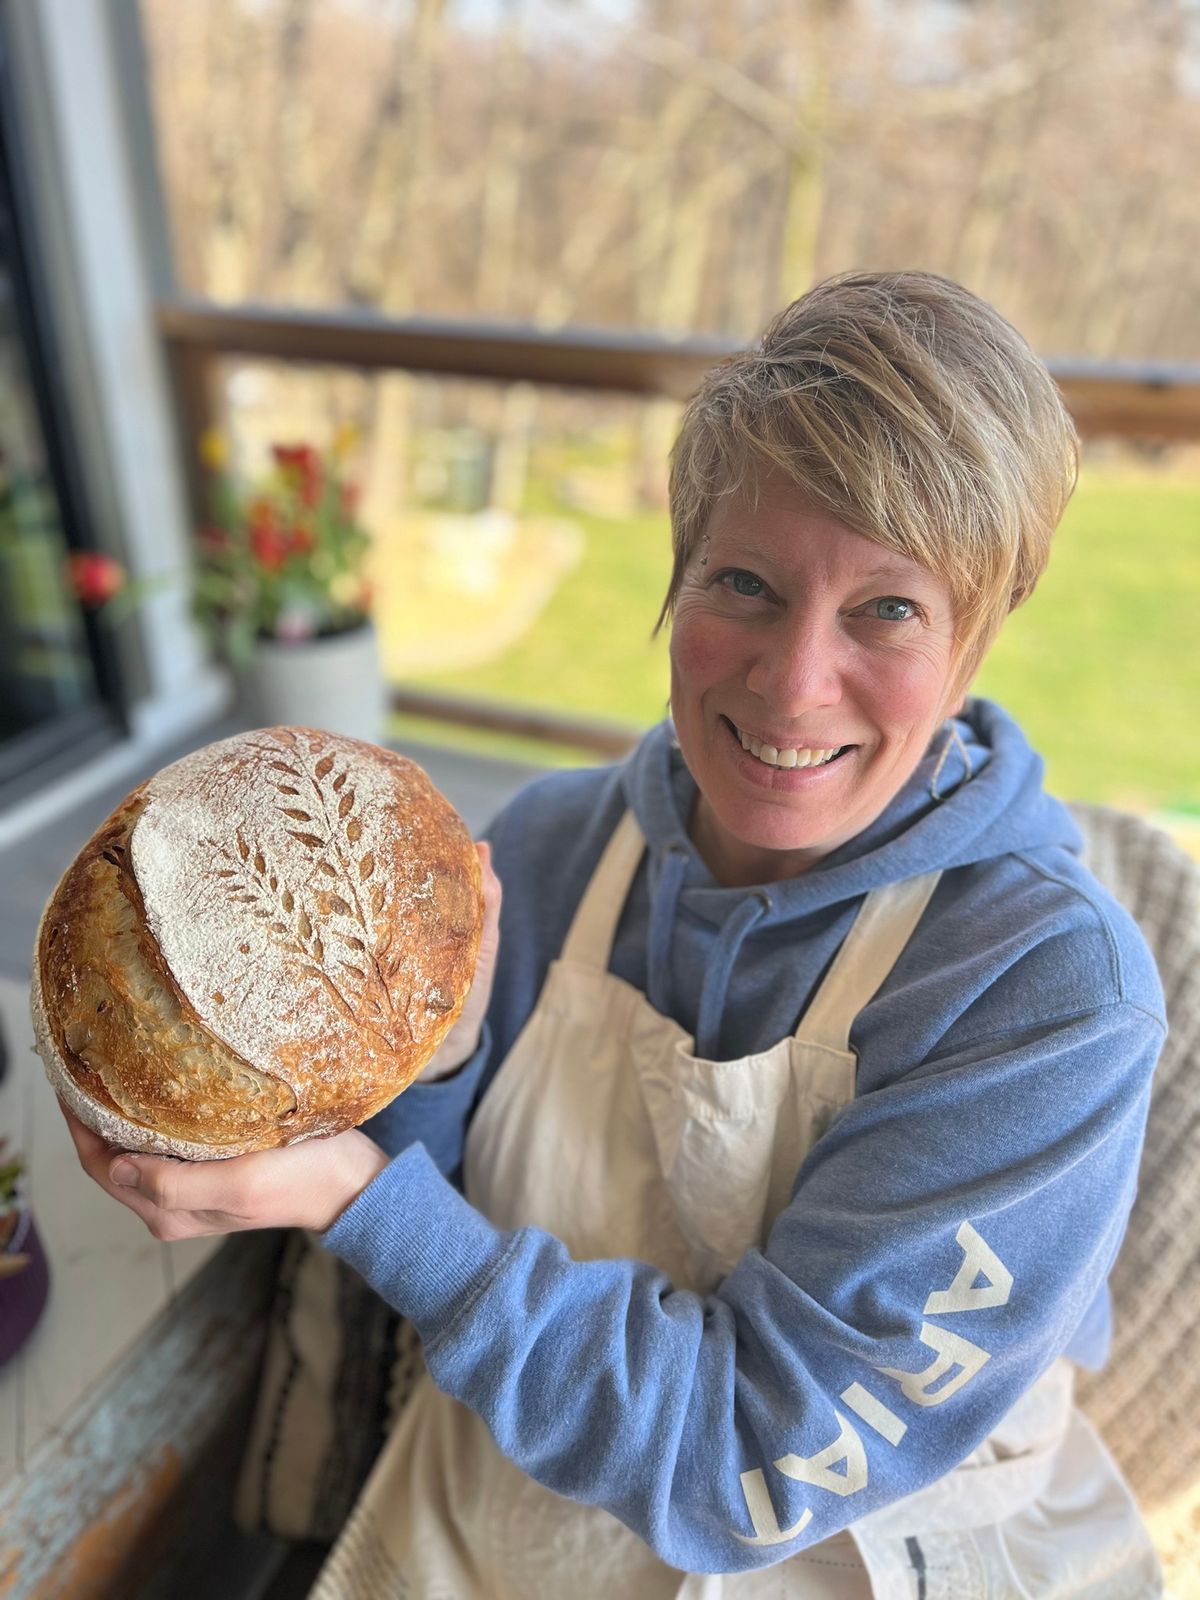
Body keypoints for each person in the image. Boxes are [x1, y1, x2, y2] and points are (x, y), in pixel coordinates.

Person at [63, 271, 1165, 1598]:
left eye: (887, 609)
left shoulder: (1047, 998)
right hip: (509, 1515)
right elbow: (452, 1197)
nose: (792, 680)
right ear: (678, 574)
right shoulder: (548, 849)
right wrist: (438, 1063)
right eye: (745, 583)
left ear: (978, 640)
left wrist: (356, 1198)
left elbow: (748, 1459)